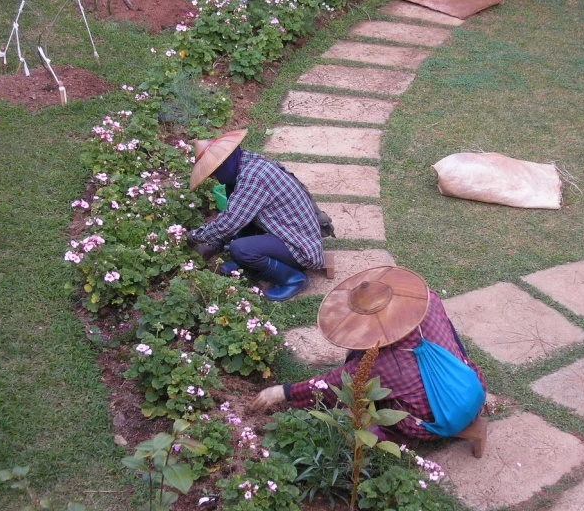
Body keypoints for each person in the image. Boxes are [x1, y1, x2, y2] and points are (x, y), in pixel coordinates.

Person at [251, 266, 487, 444]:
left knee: (371, 412)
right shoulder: (430, 299)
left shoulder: (381, 363)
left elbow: (333, 384)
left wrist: (284, 391)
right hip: (473, 389)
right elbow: (455, 340)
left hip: (433, 421)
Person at [185, 129, 324, 301]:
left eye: (214, 172)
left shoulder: (253, 177)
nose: (215, 177)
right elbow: (238, 214)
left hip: (300, 245)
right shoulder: (245, 164)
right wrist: (215, 244)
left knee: (240, 249)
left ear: (224, 164)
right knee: (239, 211)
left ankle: (292, 278)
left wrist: (195, 237)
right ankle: (248, 264)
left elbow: (230, 222)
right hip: (284, 231)